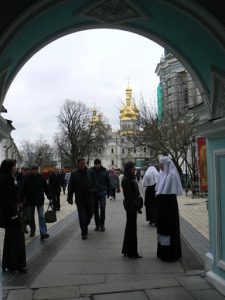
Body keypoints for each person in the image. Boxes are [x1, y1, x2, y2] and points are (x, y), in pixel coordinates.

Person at [0, 159, 27, 273]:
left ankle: (7, 263)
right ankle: (19, 264)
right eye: (14, 166)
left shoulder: (10, 178)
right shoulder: (6, 180)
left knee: (10, 239)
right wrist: (14, 214)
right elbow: (7, 200)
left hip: (10, 214)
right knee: (18, 239)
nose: (16, 167)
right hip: (10, 215)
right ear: (9, 167)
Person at [155, 156, 183, 262]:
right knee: (163, 228)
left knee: (169, 229)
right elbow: (158, 190)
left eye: (161, 164)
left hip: (169, 207)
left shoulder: (171, 175)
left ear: (166, 164)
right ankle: (163, 252)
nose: (160, 166)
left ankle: (170, 254)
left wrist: (158, 196)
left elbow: (167, 193)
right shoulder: (163, 174)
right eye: (159, 164)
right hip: (163, 207)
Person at [19, 164, 51, 239]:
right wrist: (20, 200)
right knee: (30, 217)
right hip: (30, 201)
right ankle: (33, 230)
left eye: (36, 169)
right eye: (34, 169)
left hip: (39, 200)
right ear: (31, 170)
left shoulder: (41, 177)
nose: (35, 171)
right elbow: (22, 190)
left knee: (42, 216)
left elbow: (46, 188)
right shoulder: (27, 178)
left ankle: (43, 232)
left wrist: (50, 197)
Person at [67, 158, 95, 240]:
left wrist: (94, 189)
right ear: (78, 164)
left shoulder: (90, 172)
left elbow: (95, 182)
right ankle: (84, 232)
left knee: (90, 214)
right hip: (80, 198)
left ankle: (84, 225)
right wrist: (70, 198)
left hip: (89, 197)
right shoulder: (74, 173)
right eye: (81, 163)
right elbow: (70, 187)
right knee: (82, 216)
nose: (83, 165)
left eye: (84, 163)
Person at [121, 161, 142, 259]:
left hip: (131, 206)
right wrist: (134, 205)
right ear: (129, 169)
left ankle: (128, 250)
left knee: (130, 228)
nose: (135, 170)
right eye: (133, 168)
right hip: (130, 207)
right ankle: (132, 252)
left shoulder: (130, 179)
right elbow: (129, 195)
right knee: (131, 229)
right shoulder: (126, 180)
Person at [92, 159, 110, 232]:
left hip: (102, 192)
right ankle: (97, 225)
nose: (97, 165)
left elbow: (108, 182)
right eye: (96, 164)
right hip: (94, 193)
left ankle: (102, 225)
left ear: (100, 164)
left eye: (98, 164)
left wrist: (108, 192)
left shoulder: (104, 171)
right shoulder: (91, 171)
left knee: (102, 209)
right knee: (95, 210)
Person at [17, 165, 30, 233]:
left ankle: (24, 226)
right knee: (22, 214)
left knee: (27, 214)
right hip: (21, 199)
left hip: (28, 199)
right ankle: (23, 227)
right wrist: (19, 201)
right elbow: (18, 189)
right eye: (25, 170)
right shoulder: (18, 178)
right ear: (22, 171)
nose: (26, 172)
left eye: (26, 170)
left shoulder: (28, 177)